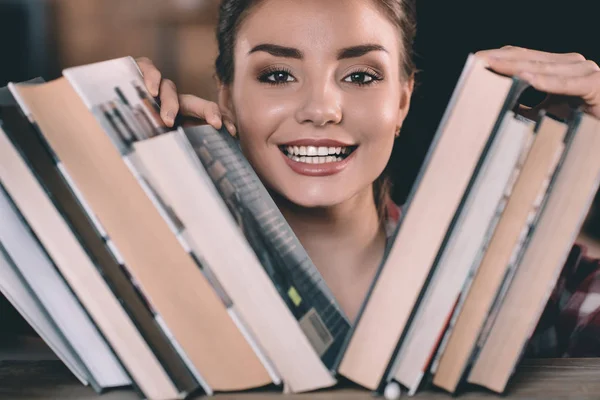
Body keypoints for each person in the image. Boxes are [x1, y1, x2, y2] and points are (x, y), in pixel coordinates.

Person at [136, 0, 600, 356]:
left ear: (402, 101)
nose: (320, 109)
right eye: (277, 74)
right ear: (228, 96)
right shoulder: (155, 274)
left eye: (359, 76)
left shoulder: (518, 275)